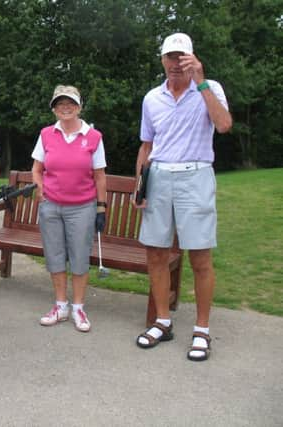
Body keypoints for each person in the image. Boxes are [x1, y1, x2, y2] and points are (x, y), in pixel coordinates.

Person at [134, 33, 232, 361]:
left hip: (196, 174)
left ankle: (202, 329)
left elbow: (224, 125)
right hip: (159, 175)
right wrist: (140, 185)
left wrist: (201, 82)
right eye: (170, 57)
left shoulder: (210, 88)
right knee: (156, 254)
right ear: (162, 59)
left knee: (200, 257)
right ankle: (163, 321)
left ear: (192, 58)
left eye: (182, 58)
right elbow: (147, 145)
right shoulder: (152, 98)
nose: (176, 64)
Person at [31, 85, 107, 333]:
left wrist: (101, 207)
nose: (65, 107)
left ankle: (78, 307)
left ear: (79, 107)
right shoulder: (46, 134)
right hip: (51, 206)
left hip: (82, 207)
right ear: (54, 108)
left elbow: (100, 176)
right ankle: (60, 305)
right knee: (54, 255)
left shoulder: (93, 137)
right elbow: (36, 169)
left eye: (70, 103)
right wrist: (40, 187)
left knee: (79, 257)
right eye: (60, 103)